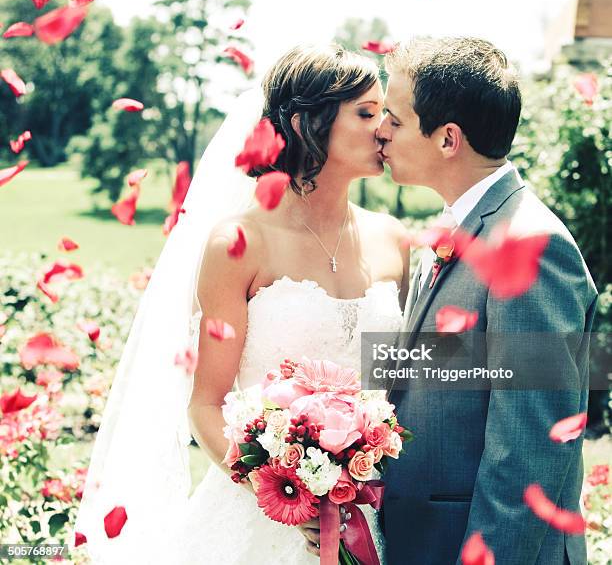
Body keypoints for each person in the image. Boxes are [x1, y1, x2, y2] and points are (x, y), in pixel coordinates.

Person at [76, 43, 410, 564]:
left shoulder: (395, 240)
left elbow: (414, 381)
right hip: (261, 522)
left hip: (373, 516)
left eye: (384, 113)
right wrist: (283, 493)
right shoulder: (239, 244)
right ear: (305, 124)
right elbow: (205, 405)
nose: (384, 128)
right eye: (366, 113)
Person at [377, 37, 598, 565]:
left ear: (448, 138)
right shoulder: (459, 228)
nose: (380, 131)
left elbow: (529, 450)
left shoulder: (531, 248)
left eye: (394, 118)